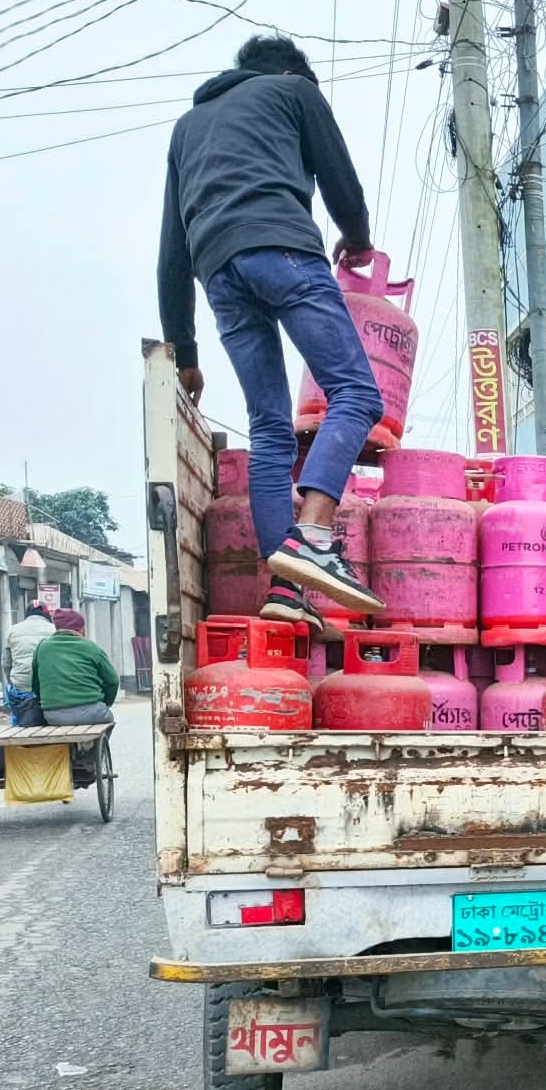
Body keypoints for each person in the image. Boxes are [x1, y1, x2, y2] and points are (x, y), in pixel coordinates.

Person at [157, 33, 387, 637]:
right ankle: (312, 537)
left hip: (218, 272)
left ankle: (286, 592)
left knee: (269, 427)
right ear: (291, 72)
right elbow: (342, 183)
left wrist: (184, 352)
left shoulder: (187, 128)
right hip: (282, 249)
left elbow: (170, 253)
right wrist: (358, 238)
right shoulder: (294, 91)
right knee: (358, 396)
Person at [32, 610, 120, 727]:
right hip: (92, 713)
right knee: (109, 719)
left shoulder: (42, 647)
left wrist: (47, 701)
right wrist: (106, 702)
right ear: (81, 629)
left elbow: (35, 683)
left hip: (53, 716)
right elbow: (113, 680)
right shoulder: (91, 647)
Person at [1, 601, 54, 726]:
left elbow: (6, 663)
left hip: (21, 688)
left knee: (12, 697)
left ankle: (16, 728)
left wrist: (12, 682)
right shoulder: (55, 630)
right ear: (47, 615)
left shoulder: (12, 630)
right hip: (49, 688)